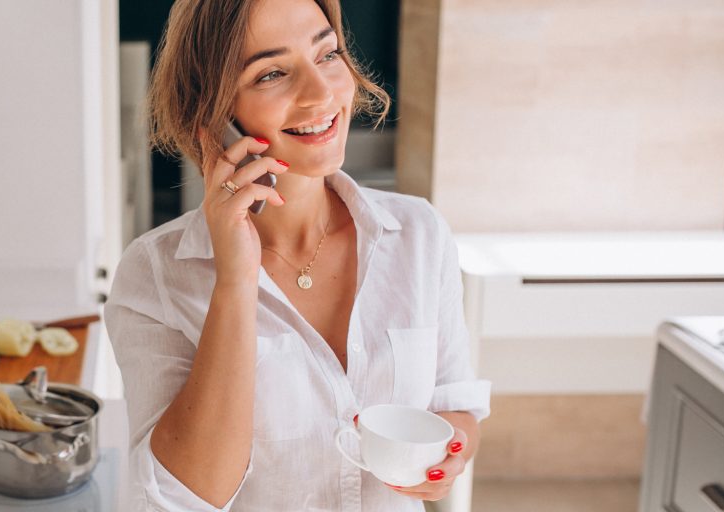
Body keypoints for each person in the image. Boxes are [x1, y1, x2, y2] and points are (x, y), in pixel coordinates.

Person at [103, 0, 491, 509]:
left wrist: (451, 455)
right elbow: (184, 496)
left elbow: (452, 405)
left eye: (327, 55)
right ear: (216, 115)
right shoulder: (154, 274)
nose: (322, 92)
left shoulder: (419, 234)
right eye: (272, 73)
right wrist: (236, 282)